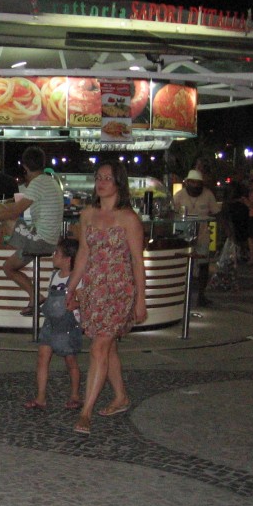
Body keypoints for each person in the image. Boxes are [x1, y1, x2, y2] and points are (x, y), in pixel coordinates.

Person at [66, 159, 147, 435]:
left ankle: (86, 413)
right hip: (94, 289)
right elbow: (83, 253)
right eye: (98, 177)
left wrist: (140, 299)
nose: (101, 183)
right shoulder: (88, 214)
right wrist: (71, 287)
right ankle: (121, 396)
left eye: (107, 178)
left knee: (99, 347)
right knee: (107, 347)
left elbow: (137, 261)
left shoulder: (128, 219)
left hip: (119, 290)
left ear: (119, 183)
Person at [0, 146, 64, 315]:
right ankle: (36, 297)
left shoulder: (37, 183)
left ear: (24, 166)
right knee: (8, 267)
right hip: (47, 241)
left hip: (39, 240)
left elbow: (13, 213)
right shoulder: (50, 181)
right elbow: (18, 204)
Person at [24, 236, 83, 411]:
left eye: (57, 253)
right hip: (50, 323)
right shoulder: (54, 276)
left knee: (70, 361)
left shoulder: (76, 278)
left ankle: (75, 395)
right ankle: (41, 397)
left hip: (67, 326)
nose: (53, 255)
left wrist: (76, 304)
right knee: (42, 358)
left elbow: (84, 299)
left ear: (68, 259)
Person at [172, 169, 221, 306]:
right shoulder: (179, 195)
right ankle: (181, 295)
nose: (195, 185)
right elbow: (171, 213)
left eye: (198, 183)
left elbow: (217, 212)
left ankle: (201, 295)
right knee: (183, 264)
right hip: (183, 235)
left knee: (203, 264)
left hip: (203, 235)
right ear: (187, 183)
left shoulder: (208, 194)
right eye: (192, 182)